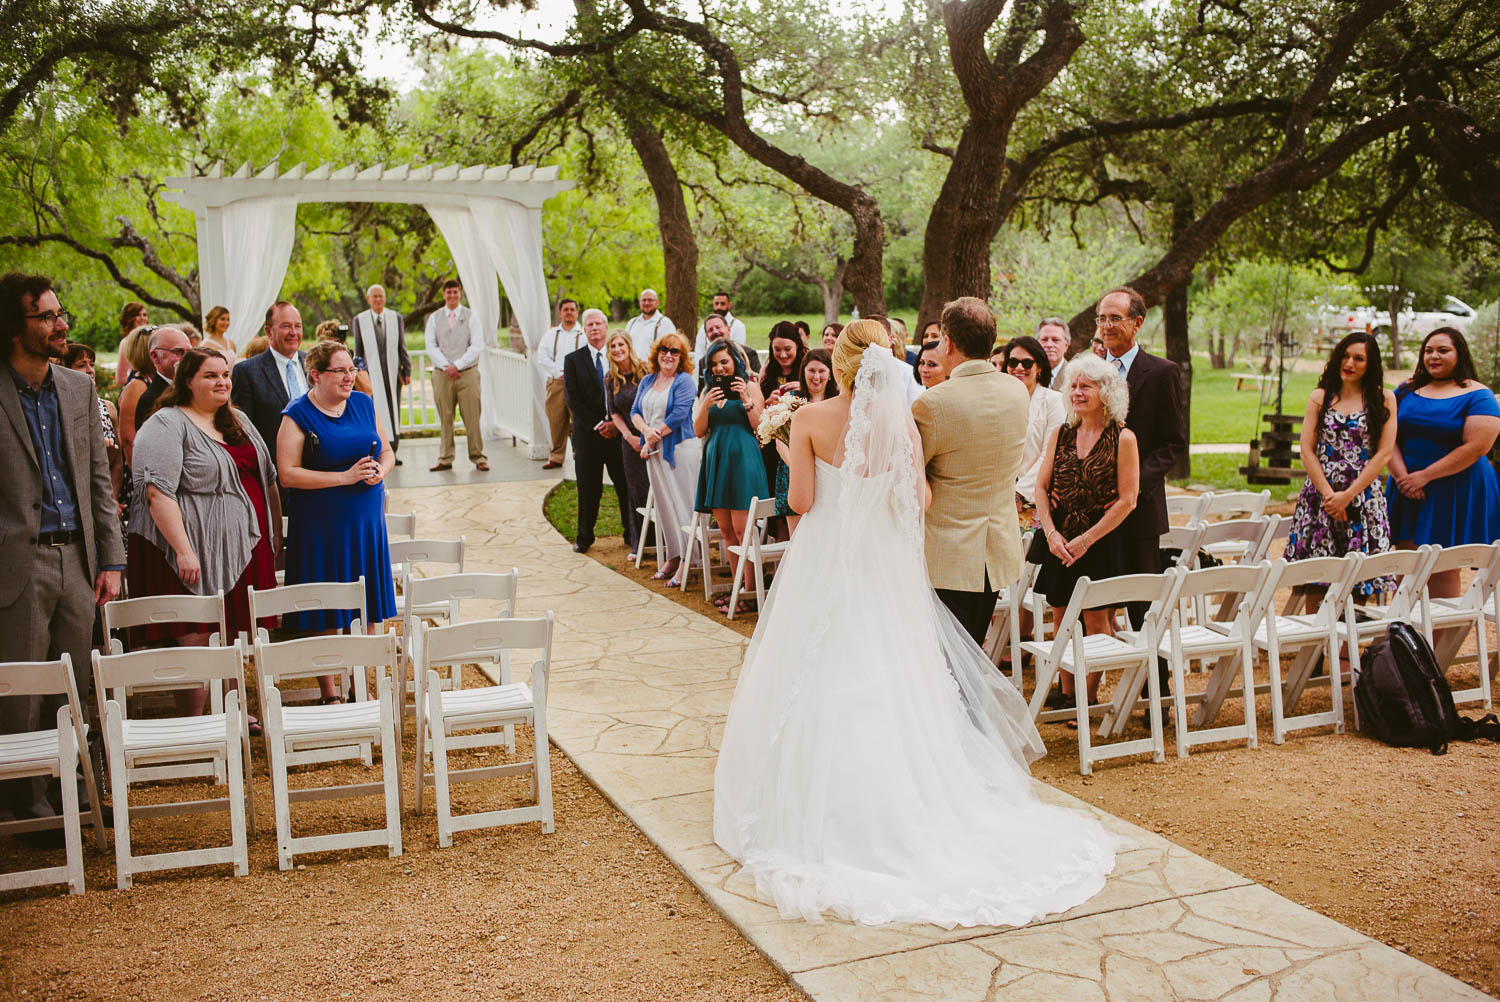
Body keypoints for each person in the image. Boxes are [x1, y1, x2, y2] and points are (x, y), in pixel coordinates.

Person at [713, 323, 1119, 928]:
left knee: (815, 666)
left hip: (826, 558)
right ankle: (909, 804)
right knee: (895, 669)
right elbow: (920, 502)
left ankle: (815, 806)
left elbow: (799, 502)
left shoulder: (807, 421)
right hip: (883, 563)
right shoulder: (902, 422)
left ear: (842, 366)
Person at [1, 273, 123, 831]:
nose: (60, 325)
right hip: (15, 568)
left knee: (74, 687)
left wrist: (112, 560)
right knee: (23, 694)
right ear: (13, 326)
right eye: (45, 317)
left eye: (59, 313)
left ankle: (74, 791)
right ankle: (29, 808)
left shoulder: (77, 390)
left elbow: (100, 481)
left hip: (79, 561)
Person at [128, 348, 280, 715]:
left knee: (231, 634)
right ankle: (197, 721)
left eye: (225, 374)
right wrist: (183, 550)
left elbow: (269, 479)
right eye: (211, 375)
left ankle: (231, 711)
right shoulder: (166, 423)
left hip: (243, 545)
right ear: (188, 381)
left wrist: (273, 533)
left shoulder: (238, 420)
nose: (222, 382)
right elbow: (155, 491)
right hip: (188, 548)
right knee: (195, 633)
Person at [277, 340, 397, 696]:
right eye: (340, 371)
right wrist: (344, 477)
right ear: (315, 375)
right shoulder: (297, 414)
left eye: (352, 369)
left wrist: (381, 471)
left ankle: (361, 682)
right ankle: (329, 688)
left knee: (368, 604)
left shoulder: (363, 403)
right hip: (321, 525)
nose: (349, 377)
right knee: (326, 606)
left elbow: (387, 450)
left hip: (365, 522)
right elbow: (287, 474)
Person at [912, 299, 1030, 645]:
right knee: (971, 651)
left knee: (947, 663)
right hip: (997, 549)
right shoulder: (1017, 390)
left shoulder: (932, 403)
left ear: (947, 342)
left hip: (948, 556)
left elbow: (912, 477)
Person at [1027, 354, 1139, 710]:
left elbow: (1129, 500)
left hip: (1100, 543)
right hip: (1059, 541)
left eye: (1085, 386)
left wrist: (1086, 540)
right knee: (1060, 616)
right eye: (1073, 386)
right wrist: (1052, 534)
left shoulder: (1123, 438)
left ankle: (1088, 696)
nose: (1076, 392)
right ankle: (1066, 692)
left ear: (1106, 392)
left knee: (1095, 621)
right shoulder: (1060, 433)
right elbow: (1041, 489)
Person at [1387, 326, 1500, 599]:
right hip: (1407, 486)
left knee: (1443, 565)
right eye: (1428, 351)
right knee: (1406, 560)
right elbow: (1385, 437)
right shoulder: (1405, 390)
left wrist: (1424, 476)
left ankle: (1438, 641)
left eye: (1442, 350)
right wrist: (1405, 478)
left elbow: (1476, 447)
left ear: (1459, 353)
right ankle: (1402, 636)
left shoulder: (1478, 395)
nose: (1433, 356)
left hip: (1455, 487)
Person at [1285, 332, 1398, 599]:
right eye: (1345, 356)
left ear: (1370, 364)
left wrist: (1347, 496)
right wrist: (1330, 497)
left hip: (1363, 497)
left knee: (1358, 584)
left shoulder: (1385, 400)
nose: (1350, 363)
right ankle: (1315, 641)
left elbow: (1384, 454)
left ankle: (1348, 641)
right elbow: (1307, 450)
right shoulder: (1320, 397)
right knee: (1315, 582)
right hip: (1320, 498)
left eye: (1359, 358)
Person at [1095, 286, 1186, 597]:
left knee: (1141, 602)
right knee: (1095, 599)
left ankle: (1148, 648)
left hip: (1140, 508)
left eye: (1115, 318)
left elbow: (1173, 442)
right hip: (1091, 509)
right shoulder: (1090, 371)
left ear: (1137, 322)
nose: (1106, 326)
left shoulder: (1162, 372)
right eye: (1102, 318)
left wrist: (1130, 487)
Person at [694, 340, 768, 614]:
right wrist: (706, 404)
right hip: (716, 459)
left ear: (735, 360)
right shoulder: (708, 391)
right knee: (726, 532)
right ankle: (737, 587)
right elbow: (698, 430)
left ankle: (750, 592)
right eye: (714, 364)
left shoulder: (749, 385)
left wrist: (746, 400)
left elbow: (761, 427)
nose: (719, 368)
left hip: (743, 461)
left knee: (743, 531)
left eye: (724, 361)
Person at [631, 331, 702, 585]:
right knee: (664, 506)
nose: (669, 355)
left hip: (679, 450)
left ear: (682, 357)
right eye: (664, 350)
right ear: (656, 353)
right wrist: (646, 433)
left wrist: (650, 439)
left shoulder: (684, 381)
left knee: (682, 504)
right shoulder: (648, 380)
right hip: (654, 452)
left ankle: (688, 560)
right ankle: (673, 554)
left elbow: (680, 414)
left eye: (675, 352)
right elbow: (635, 411)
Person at [564, 309, 630, 554]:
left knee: (625, 486)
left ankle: (631, 533)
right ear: (584, 329)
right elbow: (572, 398)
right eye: (589, 324)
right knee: (589, 489)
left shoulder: (619, 356)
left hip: (618, 434)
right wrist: (599, 424)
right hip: (588, 436)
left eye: (598, 324)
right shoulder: (573, 360)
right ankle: (584, 538)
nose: (594, 328)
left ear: (606, 326)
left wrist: (615, 424)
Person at [231, 301, 309, 473]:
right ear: (268, 331)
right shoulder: (247, 372)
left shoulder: (314, 365)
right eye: (286, 326)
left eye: (298, 326)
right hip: (274, 474)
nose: (293, 333)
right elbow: (243, 432)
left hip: (320, 472)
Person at [424, 279, 488, 473]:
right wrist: (446, 366)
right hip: (442, 374)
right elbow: (431, 345)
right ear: (444, 295)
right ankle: (445, 457)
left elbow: (477, 345)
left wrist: (457, 365)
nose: (452, 296)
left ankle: (478, 457)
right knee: (446, 416)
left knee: (472, 416)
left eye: (455, 292)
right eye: (448, 292)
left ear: (460, 293)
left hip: (467, 373)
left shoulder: (471, 317)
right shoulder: (434, 318)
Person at [1004, 335, 1067, 532]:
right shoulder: (999, 402)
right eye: (1013, 362)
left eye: (1027, 363)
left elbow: (1050, 453)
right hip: (1000, 502)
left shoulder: (1054, 401)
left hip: (1036, 502)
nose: (1019, 368)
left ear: (1039, 367)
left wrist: (1019, 494)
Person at [772, 347, 838, 532]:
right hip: (793, 472)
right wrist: (797, 466)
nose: (816, 376)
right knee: (798, 537)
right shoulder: (791, 400)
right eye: (812, 370)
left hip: (828, 474)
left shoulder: (837, 401)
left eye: (821, 371)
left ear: (830, 374)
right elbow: (779, 440)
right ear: (803, 372)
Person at [350, 284, 411, 458]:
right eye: (374, 296)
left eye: (381, 296)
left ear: (385, 298)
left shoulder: (395, 318)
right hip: (371, 375)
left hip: (393, 373)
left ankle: (394, 449)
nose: (378, 299)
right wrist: (360, 374)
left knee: (394, 411)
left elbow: (402, 346)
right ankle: (379, 449)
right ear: (369, 299)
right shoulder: (359, 320)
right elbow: (358, 351)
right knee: (375, 411)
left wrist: (407, 369)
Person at [605, 330, 650, 551]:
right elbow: (613, 413)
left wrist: (645, 434)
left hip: (651, 436)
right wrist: (629, 437)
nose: (617, 350)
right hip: (628, 441)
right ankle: (639, 543)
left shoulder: (644, 370)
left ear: (629, 346)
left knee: (654, 489)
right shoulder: (610, 378)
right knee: (635, 491)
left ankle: (661, 542)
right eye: (613, 346)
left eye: (621, 345)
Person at [119, 326, 191, 465]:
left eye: (189, 352)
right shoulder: (150, 398)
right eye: (179, 352)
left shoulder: (191, 389)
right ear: (155, 357)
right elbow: (132, 442)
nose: (187, 359)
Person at [63, 343, 123, 503]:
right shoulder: (63, 408)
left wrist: (113, 497)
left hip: (107, 495)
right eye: (82, 365)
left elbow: (118, 460)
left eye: (92, 364)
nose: (90, 370)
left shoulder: (107, 407)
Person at [759, 323, 806, 518]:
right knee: (777, 503)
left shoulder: (805, 369)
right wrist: (768, 404)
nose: (783, 355)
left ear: (798, 346)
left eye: (788, 349)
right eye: (777, 350)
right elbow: (759, 411)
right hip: (773, 448)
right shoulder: (767, 371)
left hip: (799, 444)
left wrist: (803, 388)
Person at [538, 297, 585, 469]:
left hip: (579, 384)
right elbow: (542, 357)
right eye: (566, 310)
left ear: (577, 312)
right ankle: (556, 457)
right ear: (560, 313)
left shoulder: (584, 334)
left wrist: (574, 374)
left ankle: (580, 453)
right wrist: (559, 372)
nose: (569, 313)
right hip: (557, 382)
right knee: (556, 420)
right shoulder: (551, 335)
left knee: (579, 420)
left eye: (572, 310)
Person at [695, 312, 760, 376]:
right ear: (707, 336)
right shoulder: (703, 362)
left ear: (728, 329)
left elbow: (759, 383)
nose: (715, 331)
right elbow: (702, 386)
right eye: (710, 330)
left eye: (718, 327)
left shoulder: (749, 354)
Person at [626, 288, 675, 360]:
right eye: (644, 300)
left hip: (653, 370)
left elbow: (670, 352)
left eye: (650, 300)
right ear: (639, 302)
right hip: (632, 369)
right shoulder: (632, 323)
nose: (646, 303)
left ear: (657, 302)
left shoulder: (665, 324)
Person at [114, 301, 147, 384]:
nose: (142, 318)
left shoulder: (149, 340)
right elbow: (120, 379)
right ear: (130, 318)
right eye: (138, 315)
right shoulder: (126, 342)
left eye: (144, 315)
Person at [1035, 316, 1070, 388]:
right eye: (1044, 340)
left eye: (1055, 340)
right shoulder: (1028, 374)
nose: (1049, 345)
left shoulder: (1073, 376)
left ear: (1066, 346)